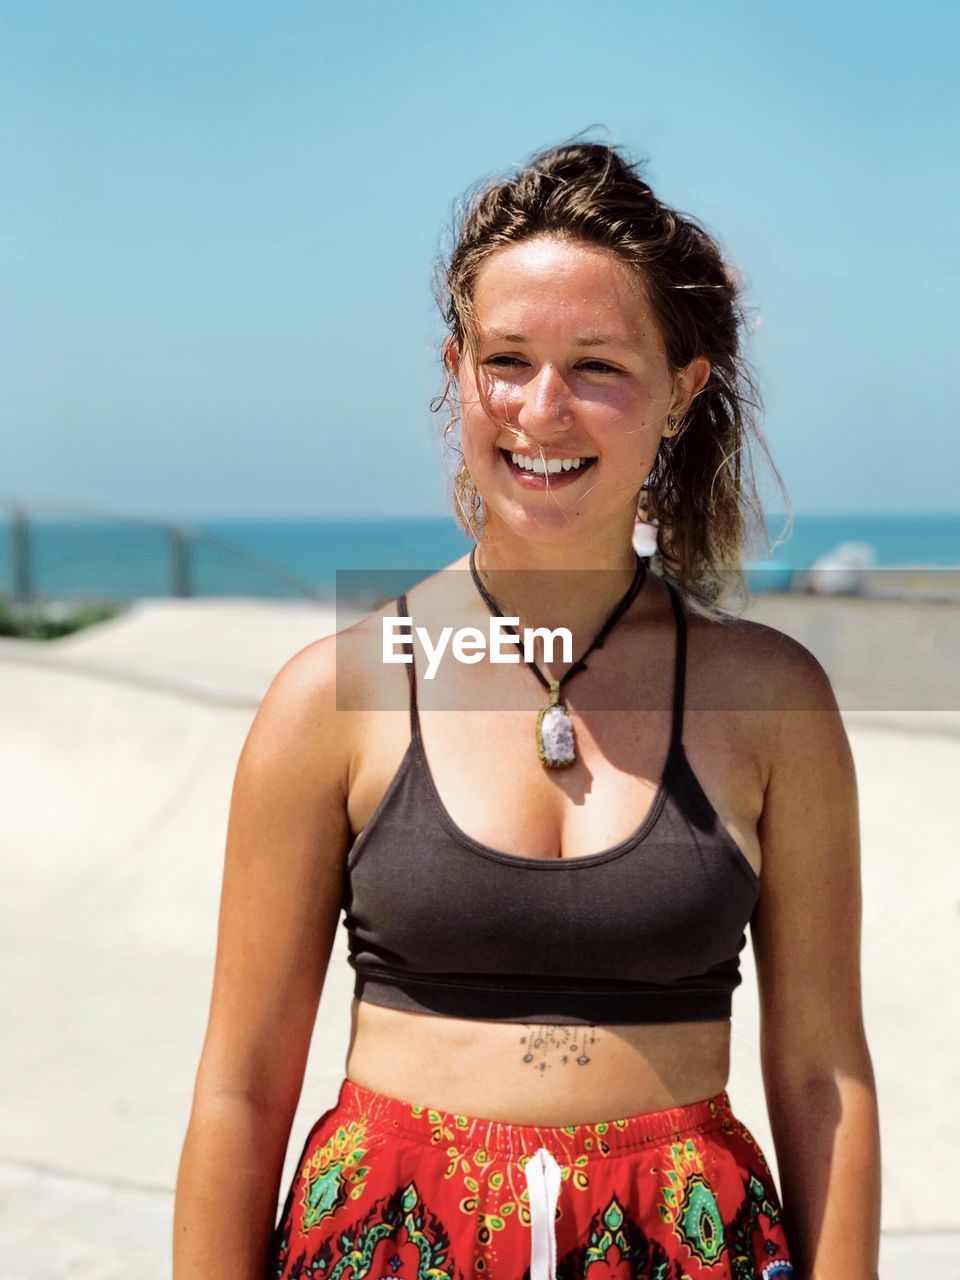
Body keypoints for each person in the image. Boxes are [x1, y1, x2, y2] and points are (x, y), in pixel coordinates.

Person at [173, 139, 881, 1280]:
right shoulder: (340, 690)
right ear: (458, 372)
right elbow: (241, 1086)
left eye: (597, 364)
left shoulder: (770, 698)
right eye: (507, 359)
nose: (543, 410)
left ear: (681, 390)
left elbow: (822, 1075)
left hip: (686, 1249)